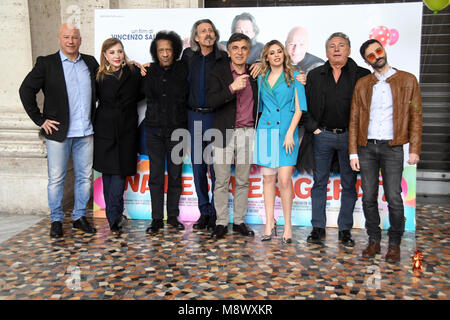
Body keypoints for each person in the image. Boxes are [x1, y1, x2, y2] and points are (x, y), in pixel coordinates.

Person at [19, 24, 98, 238]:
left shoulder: (90, 62)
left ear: (80, 40)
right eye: (66, 37)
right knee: (56, 179)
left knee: (84, 177)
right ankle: (56, 219)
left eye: (74, 37)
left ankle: (79, 217)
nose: (70, 41)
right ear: (59, 39)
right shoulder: (46, 64)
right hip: (58, 134)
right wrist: (40, 120)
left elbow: (106, 83)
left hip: (86, 131)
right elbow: (26, 90)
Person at [349, 39, 422, 263]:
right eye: (371, 55)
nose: (377, 56)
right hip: (366, 147)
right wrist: (353, 152)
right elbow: (353, 119)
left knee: (394, 198)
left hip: (393, 147)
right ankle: (373, 241)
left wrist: (414, 149)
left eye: (378, 51)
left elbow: (416, 117)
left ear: (384, 50)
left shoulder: (408, 80)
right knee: (368, 197)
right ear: (366, 61)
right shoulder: (362, 84)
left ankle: (394, 244)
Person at [305, 32, 371, 247]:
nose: (336, 49)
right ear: (326, 51)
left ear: (349, 50)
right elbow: (303, 105)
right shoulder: (315, 75)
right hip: (322, 135)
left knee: (349, 184)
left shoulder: (362, 74)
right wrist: (314, 128)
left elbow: (369, 109)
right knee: (319, 183)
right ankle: (317, 228)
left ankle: (345, 230)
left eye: (341, 45)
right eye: (332, 45)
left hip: (350, 138)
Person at [253, 40, 307, 244]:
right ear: (266, 56)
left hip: (287, 131)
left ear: (284, 55)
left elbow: (300, 107)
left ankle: (288, 225)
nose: (276, 55)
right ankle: (269, 223)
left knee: (284, 181)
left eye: (279, 52)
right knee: (268, 180)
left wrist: (290, 133)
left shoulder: (294, 77)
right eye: (271, 52)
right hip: (266, 131)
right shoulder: (261, 78)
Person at [207, 33, 258, 240]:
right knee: (221, 180)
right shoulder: (218, 72)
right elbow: (211, 101)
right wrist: (231, 88)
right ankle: (220, 222)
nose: (239, 52)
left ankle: (238, 221)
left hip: (247, 133)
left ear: (249, 51)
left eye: (244, 48)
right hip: (222, 132)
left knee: (243, 180)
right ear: (228, 52)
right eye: (235, 48)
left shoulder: (255, 72)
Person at [181, 19, 229, 232]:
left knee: (216, 169)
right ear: (196, 37)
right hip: (194, 118)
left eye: (211, 30)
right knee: (198, 168)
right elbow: (169, 71)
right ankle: (205, 211)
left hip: (216, 118)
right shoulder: (188, 57)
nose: (208, 34)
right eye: (203, 31)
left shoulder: (224, 58)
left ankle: (218, 214)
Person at [93, 38, 143, 234]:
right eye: (112, 52)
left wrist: (144, 66)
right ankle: (113, 216)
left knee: (120, 174)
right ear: (105, 55)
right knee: (108, 175)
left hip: (127, 130)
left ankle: (114, 216)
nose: (116, 56)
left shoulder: (134, 72)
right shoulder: (98, 76)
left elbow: (142, 92)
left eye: (119, 51)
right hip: (105, 130)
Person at [142, 31, 189, 234]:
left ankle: (172, 217)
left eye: (168, 49)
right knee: (156, 176)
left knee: (176, 175)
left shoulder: (183, 70)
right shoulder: (148, 71)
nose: (165, 53)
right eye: (161, 50)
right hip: (153, 130)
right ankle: (156, 219)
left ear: (175, 50)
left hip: (177, 131)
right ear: (156, 52)